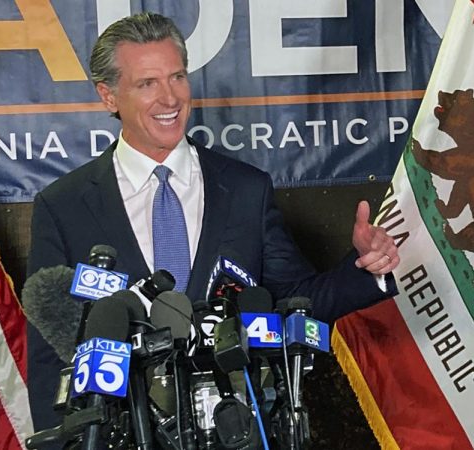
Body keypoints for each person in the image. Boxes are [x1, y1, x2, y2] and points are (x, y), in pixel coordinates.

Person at [25, 11, 401, 437]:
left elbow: (291, 300)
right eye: (147, 83)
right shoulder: (63, 206)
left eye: (177, 77)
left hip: (235, 432)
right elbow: (50, 355)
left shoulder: (245, 190)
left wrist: (363, 269)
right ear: (108, 96)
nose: (170, 99)